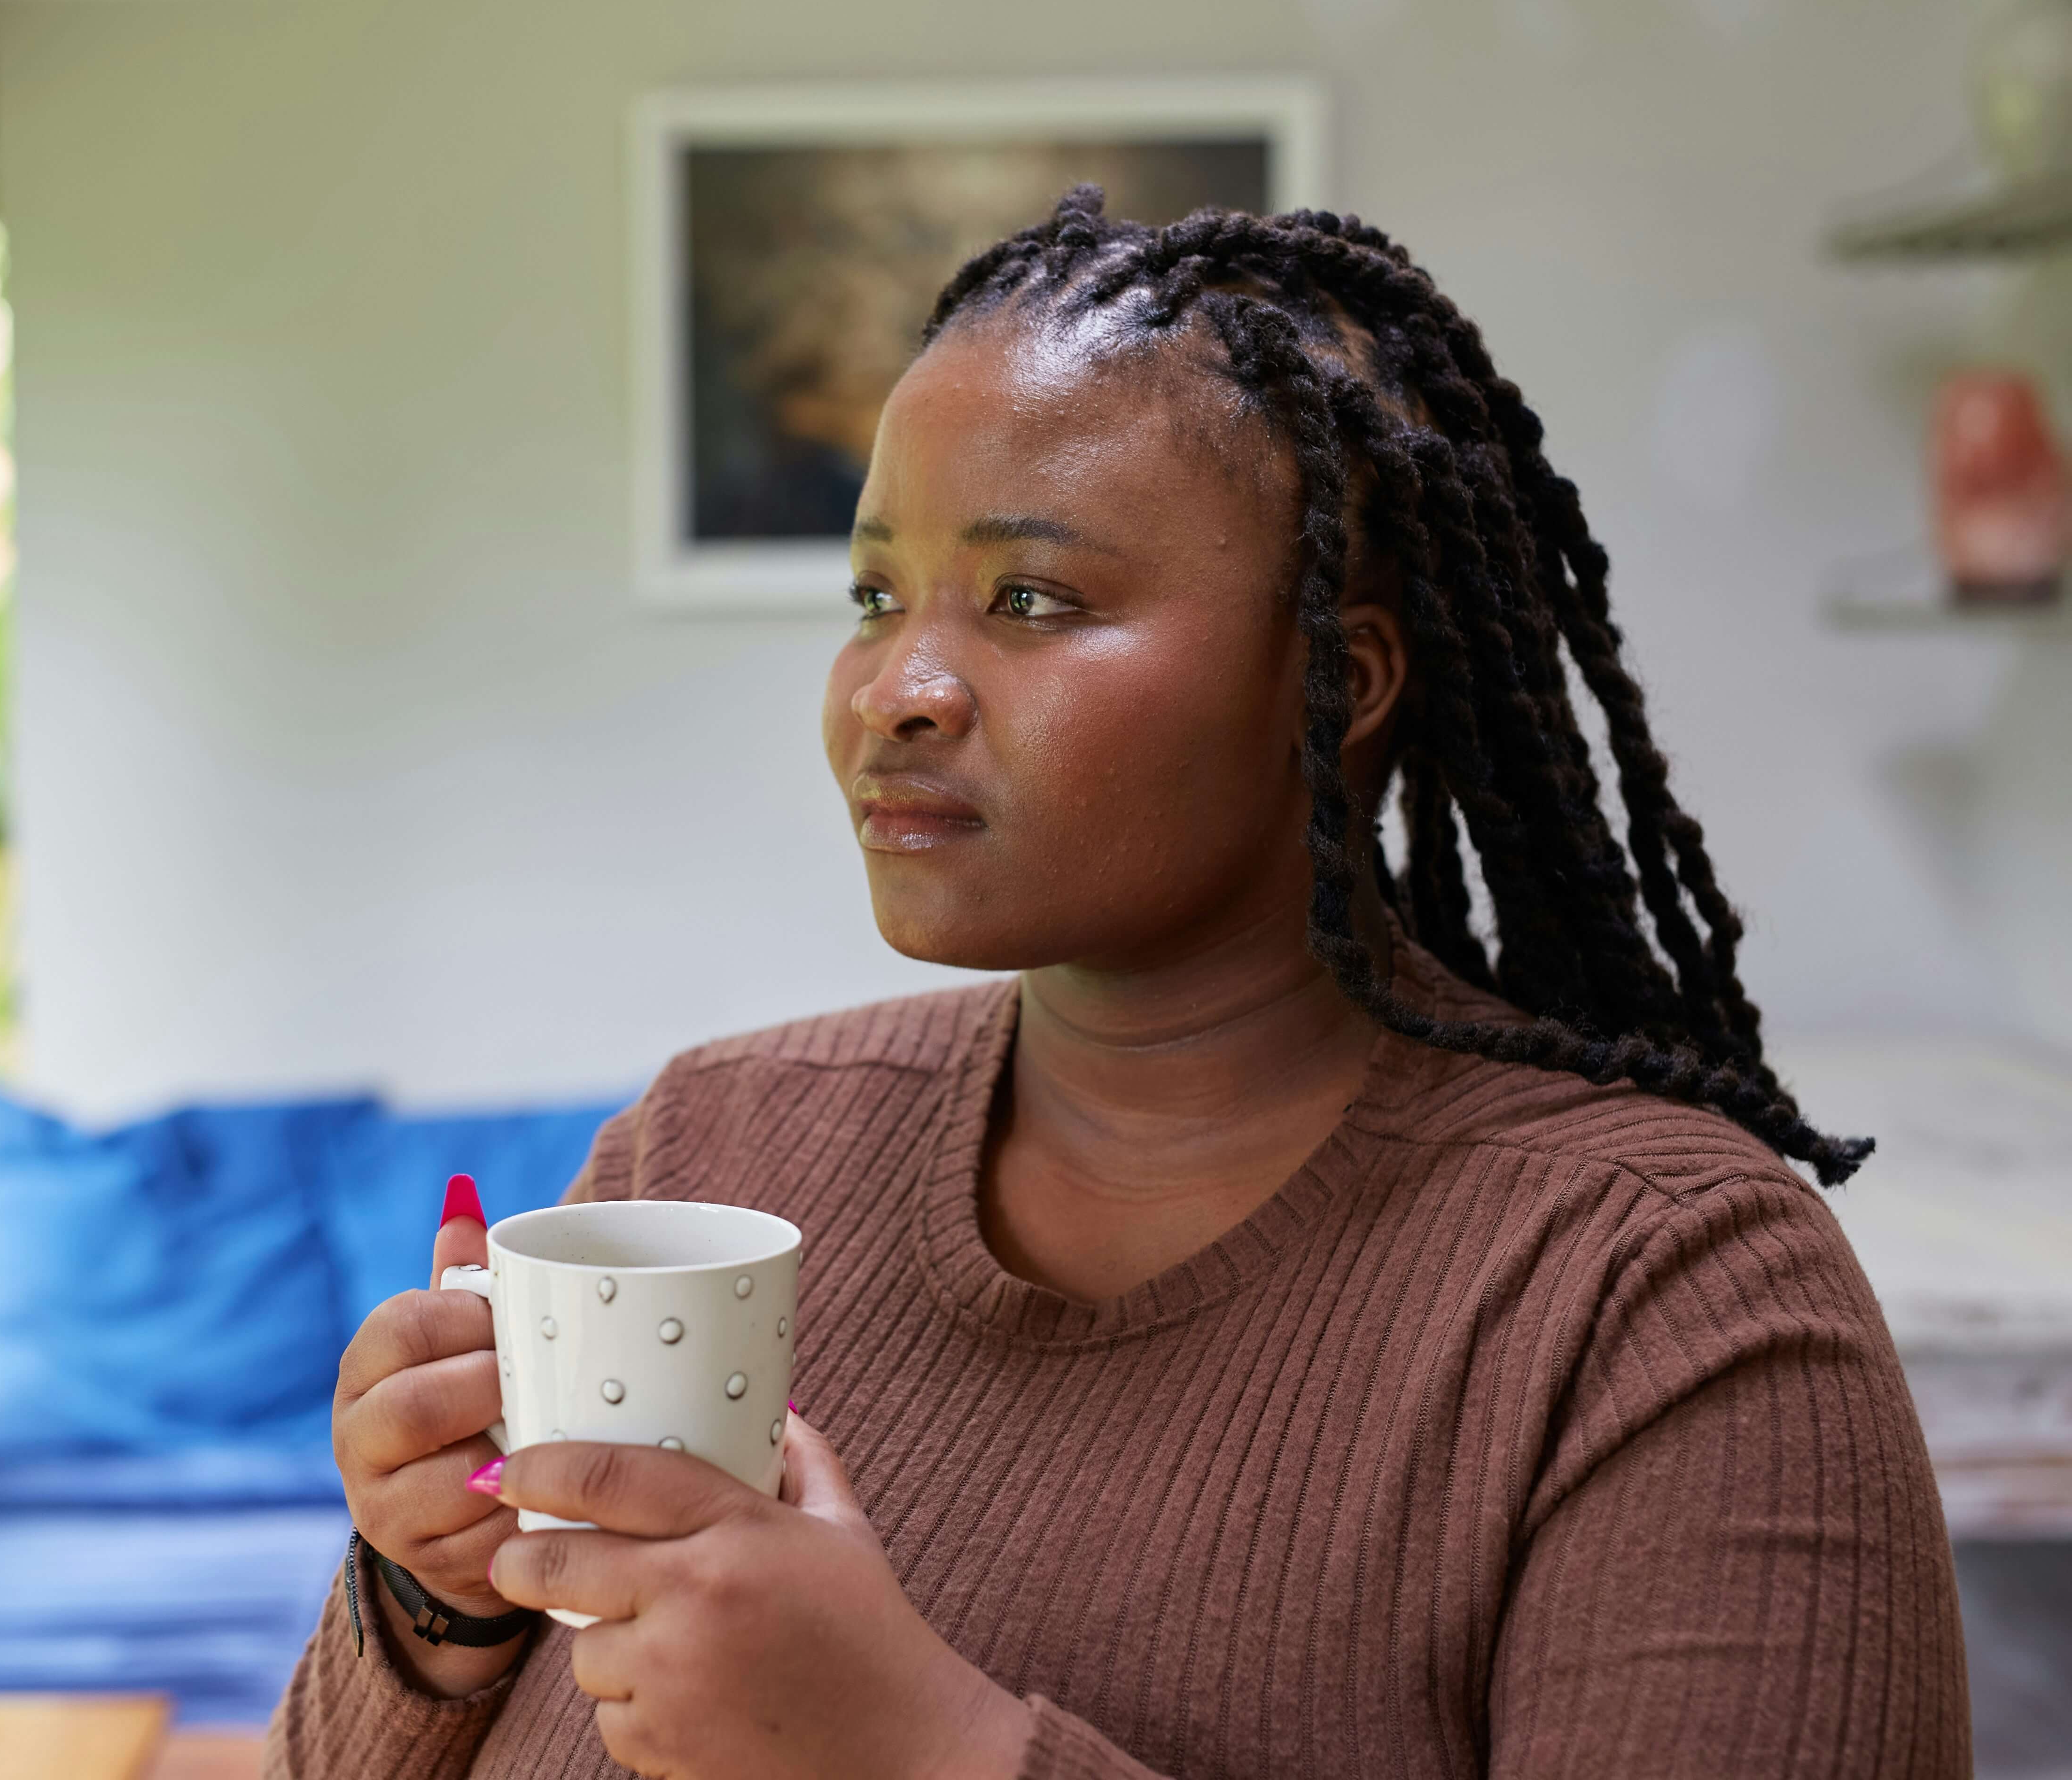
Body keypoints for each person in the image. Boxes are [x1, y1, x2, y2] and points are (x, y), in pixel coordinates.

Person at [267, 193, 1969, 1779]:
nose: (898, 689)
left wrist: (925, 1752)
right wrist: (445, 1606)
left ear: (1343, 678)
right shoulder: (707, 1142)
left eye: (1030, 596)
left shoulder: (1662, 1299)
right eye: (875, 595)